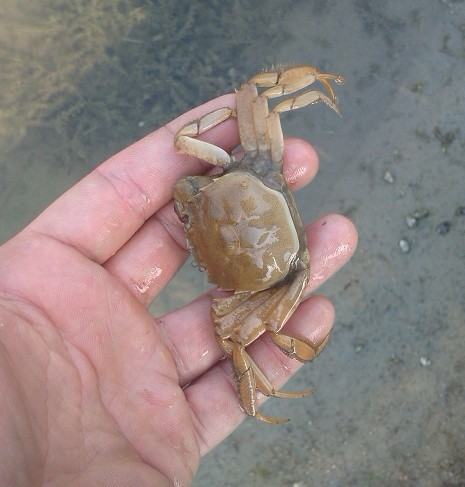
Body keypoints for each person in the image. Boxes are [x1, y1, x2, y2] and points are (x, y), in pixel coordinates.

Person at [0, 93, 357, 486]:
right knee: (245, 336)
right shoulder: (255, 168)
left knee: (245, 338)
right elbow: (258, 97)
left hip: (278, 267)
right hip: (269, 242)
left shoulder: (246, 175)